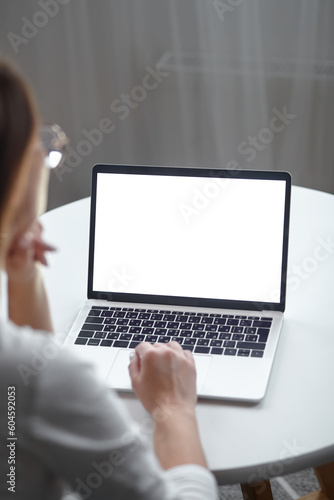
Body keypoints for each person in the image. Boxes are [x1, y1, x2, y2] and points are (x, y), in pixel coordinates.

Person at [0, 59, 219, 499]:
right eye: (37, 145)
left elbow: (21, 419)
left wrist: (23, 280)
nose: (44, 159)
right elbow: (29, 390)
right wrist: (173, 410)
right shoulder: (46, 380)